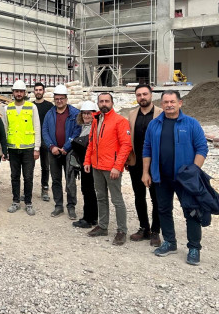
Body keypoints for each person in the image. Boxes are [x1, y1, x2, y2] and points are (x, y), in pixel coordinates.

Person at [142, 90, 209, 265]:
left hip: (185, 179)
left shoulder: (191, 123)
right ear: (161, 104)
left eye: (172, 101)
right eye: (166, 102)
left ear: (180, 103)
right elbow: (147, 148)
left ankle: (194, 247)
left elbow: (202, 147)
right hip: (161, 177)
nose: (169, 105)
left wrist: (194, 171)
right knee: (164, 210)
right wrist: (145, 172)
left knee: (191, 211)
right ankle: (170, 242)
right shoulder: (154, 124)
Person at [83, 93, 132, 246]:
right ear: (98, 103)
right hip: (97, 166)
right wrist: (87, 160)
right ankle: (103, 226)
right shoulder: (96, 120)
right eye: (101, 101)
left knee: (117, 200)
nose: (104, 104)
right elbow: (91, 142)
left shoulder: (120, 121)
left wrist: (117, 166)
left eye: (107, 101)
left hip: (111, 168)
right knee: (101, 197)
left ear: (112, 102)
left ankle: (121, 230)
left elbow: (126, 145)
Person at [127, 84, 162, 247]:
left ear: (151, 95)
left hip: (156, 164)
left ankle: (155, 231)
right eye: (139, 95)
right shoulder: (132, 114)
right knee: (139, 196)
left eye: (145, 94)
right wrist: (128, 159)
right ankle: (144, 228)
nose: (142, 97)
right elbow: (128, 139)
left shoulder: (161, 114)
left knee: (156, 198)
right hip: (136, 163)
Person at [42, 84, 81, 219]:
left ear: (66, 99)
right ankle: (58, 205)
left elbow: (77, 131)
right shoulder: (50, 114)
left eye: (61, 98)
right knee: (56, 180)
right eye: (57, 98)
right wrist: (51, 146)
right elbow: (45, 131)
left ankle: (71, 206)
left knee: (70, 180)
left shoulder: (74, 113)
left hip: (69, 152)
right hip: (53, 152)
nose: (59, 101)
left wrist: (66, 147)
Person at [3, 80, 41, 216]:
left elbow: (37, 127)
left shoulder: (32, 107)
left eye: (21, 91)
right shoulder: (7, 108)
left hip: (28, 149)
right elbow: (5, 129)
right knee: (14, 176)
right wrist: (5, 150)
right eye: (16, 91)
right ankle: (15, 201)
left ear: (25, 93)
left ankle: (28, 203)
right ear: (13, 93)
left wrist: (37, 148)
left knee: (28, 177)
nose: (18, 94)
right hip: (13, 148)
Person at [70, 101, 99, 229]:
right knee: (88, 190)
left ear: (94, 114)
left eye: (89, 113)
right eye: (84, 113)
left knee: (88, 190)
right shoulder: (84, 127)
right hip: (85, 163)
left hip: (90, 164)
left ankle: (88, 218)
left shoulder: (94, 127)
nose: (86, 116)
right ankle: (92, 217)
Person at [33, 82, 54, 202]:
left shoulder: (49, 106)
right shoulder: (30, 106)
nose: (38, 92)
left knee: (45, 166)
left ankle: (45, 189)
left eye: (40, 90)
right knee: (29, 166)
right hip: (32, 139)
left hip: (45, 140)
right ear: (34, 91)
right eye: (36, 90)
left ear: (44, 91)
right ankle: (28, 189)